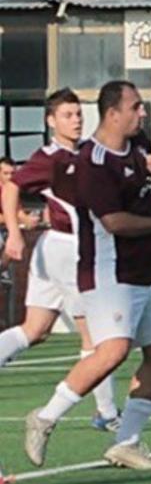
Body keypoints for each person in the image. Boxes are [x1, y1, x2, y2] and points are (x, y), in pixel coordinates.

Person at [25, 80, 151, 470]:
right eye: (136, 107)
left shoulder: (140, 142)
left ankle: (125, 441)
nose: (142, 113)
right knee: (112, 350)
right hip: (110, 274)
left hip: (148, 272)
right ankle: (45, 417)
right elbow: (113, 221)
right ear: (113, 113)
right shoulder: (91, 163)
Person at [0, 89, 120, 432]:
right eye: (68, 115)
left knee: (34, 329)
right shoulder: (49, 158)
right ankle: (109, 413)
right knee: (96, 337)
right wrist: (15, 231)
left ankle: (108, 412)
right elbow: (12, 188)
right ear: (51, 121)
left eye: (79, 113)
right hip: (69, 251)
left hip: (58, 250)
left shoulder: (90, 152)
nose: (77, 119)